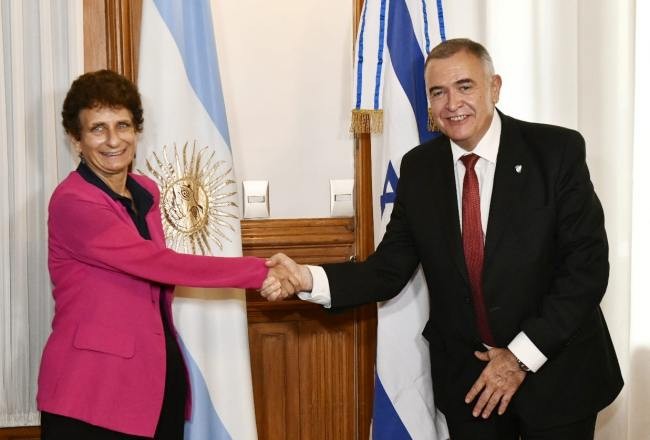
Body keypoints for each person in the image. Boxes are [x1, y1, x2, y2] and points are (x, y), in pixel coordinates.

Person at [262, 38, 623, 439]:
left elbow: (586, 270)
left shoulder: (555, 151)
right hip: (470, 382)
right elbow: (387, 270)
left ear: (494, 87)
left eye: (465, 86)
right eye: (438, 92)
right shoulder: (420, 169)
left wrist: (517, 358)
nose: (452, 103)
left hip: (557, 372)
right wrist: (307, 277)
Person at [37, 70, 289, 439]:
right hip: (91, 390)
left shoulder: (144, 191)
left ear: (136, 131)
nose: (113, 140)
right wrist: (258, 271)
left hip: (154, 380)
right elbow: (158, 264)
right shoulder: (74, 201)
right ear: (76, 139)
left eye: (123, 125)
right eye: (98, 129)